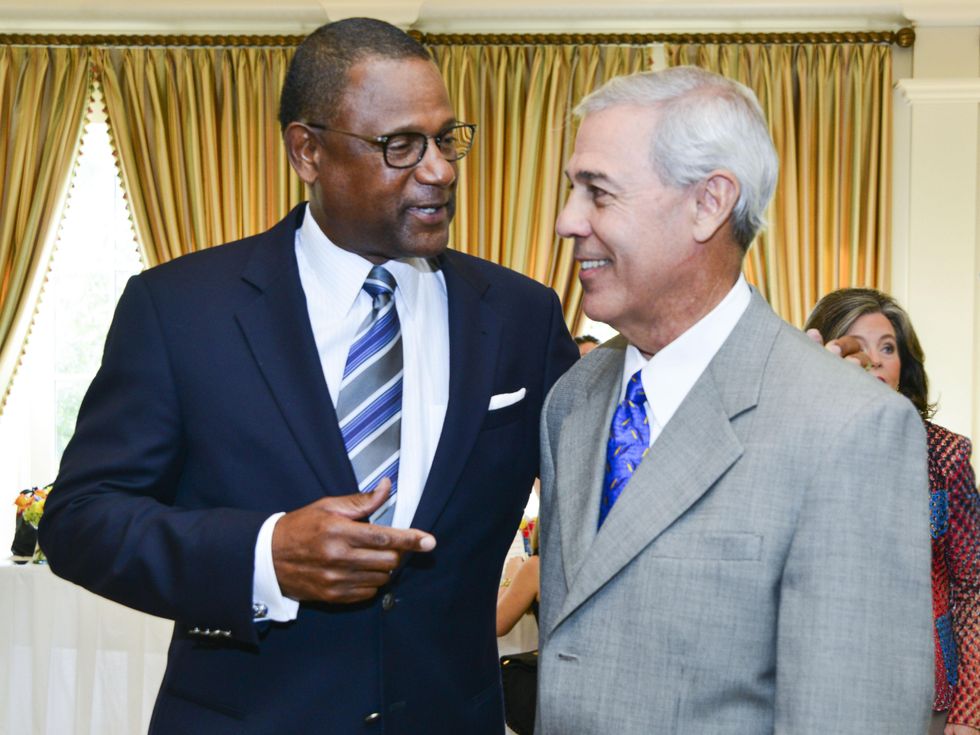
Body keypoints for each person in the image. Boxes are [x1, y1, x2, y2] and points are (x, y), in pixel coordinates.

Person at [39, 18, 577, 734]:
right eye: (400, 145)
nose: (440, 170)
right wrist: (263, 556)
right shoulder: (180, 309)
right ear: (307, 150)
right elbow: (81, 520)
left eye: (447, 139)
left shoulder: (523, 316)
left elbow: (596, 511)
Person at [535, 65, 934, 734]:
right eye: (572, 190)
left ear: (709, 203)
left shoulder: (851, 427)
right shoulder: (570, 402)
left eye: (597, 192)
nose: (565, 221)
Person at [805, 287, 980, 735]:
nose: (877, 359)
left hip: (924, 695)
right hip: (817, 690)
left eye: (888, 347)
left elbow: (973, 587)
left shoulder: (945, 455)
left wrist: (969, 707)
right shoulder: (795, 447)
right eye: (856, 346)